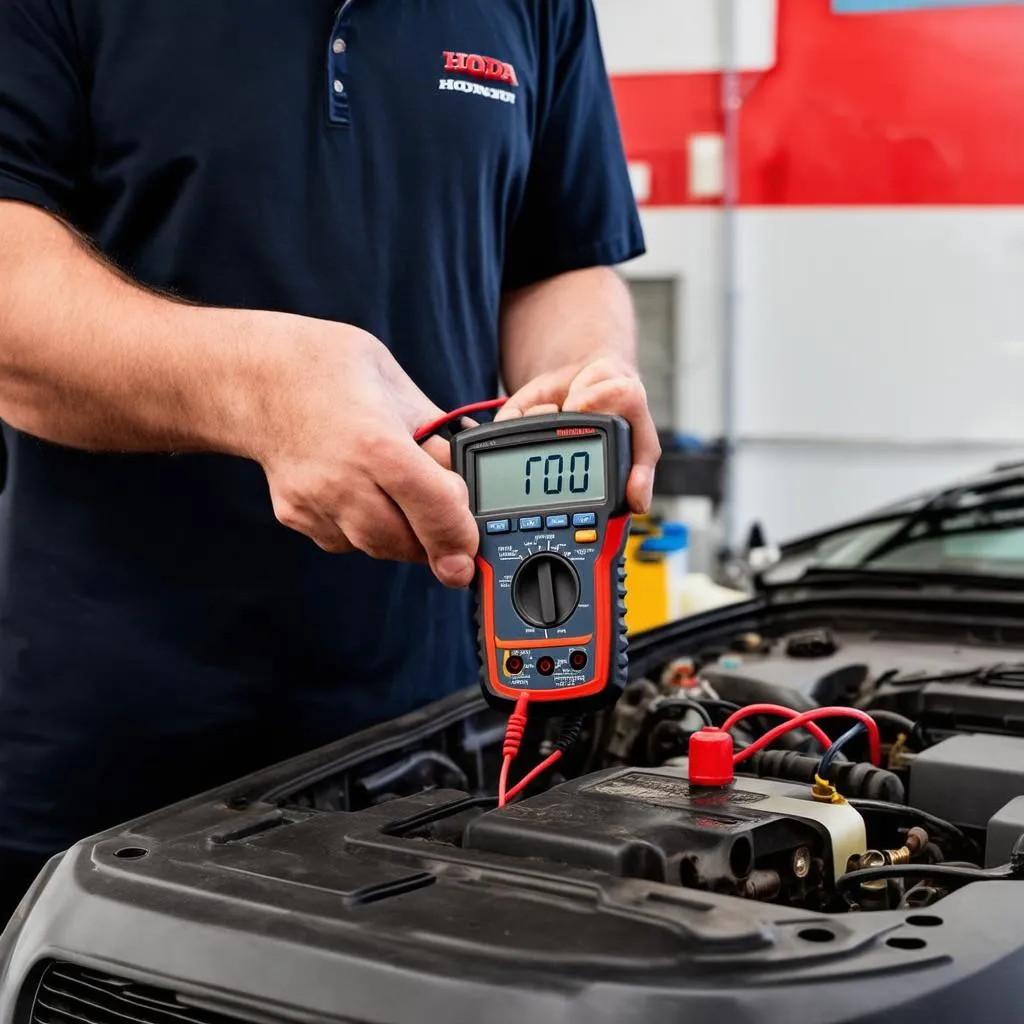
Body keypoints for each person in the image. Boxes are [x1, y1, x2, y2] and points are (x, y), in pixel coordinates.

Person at [0, 0, 659, 921]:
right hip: (106, 744)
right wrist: (257, 389)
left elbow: (560, 261)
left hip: (435, 730)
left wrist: (579, 383)